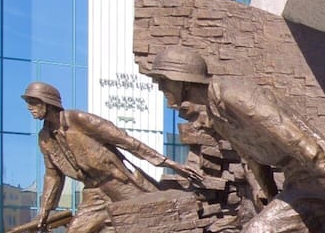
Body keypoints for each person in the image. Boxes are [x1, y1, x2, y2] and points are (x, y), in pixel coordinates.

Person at [142, 48, 325, 233]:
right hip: (300, 184)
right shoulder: (217, 115)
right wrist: (270, 198)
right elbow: (253, 160)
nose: (160, 87)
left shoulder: (233, 95)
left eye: (163, 80)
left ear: (183, 81)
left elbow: (297, 140)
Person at [22, 81, 203, 233]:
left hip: (121, 185)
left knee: (154, 223)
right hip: (93, 193)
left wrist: (169, 163)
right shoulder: (45, 138)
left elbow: (125, 141)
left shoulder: (78, 119)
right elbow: (53, 176)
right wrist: (44, 212)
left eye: (33, 102)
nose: (29, 107)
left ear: (48, 102)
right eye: (28, 102)